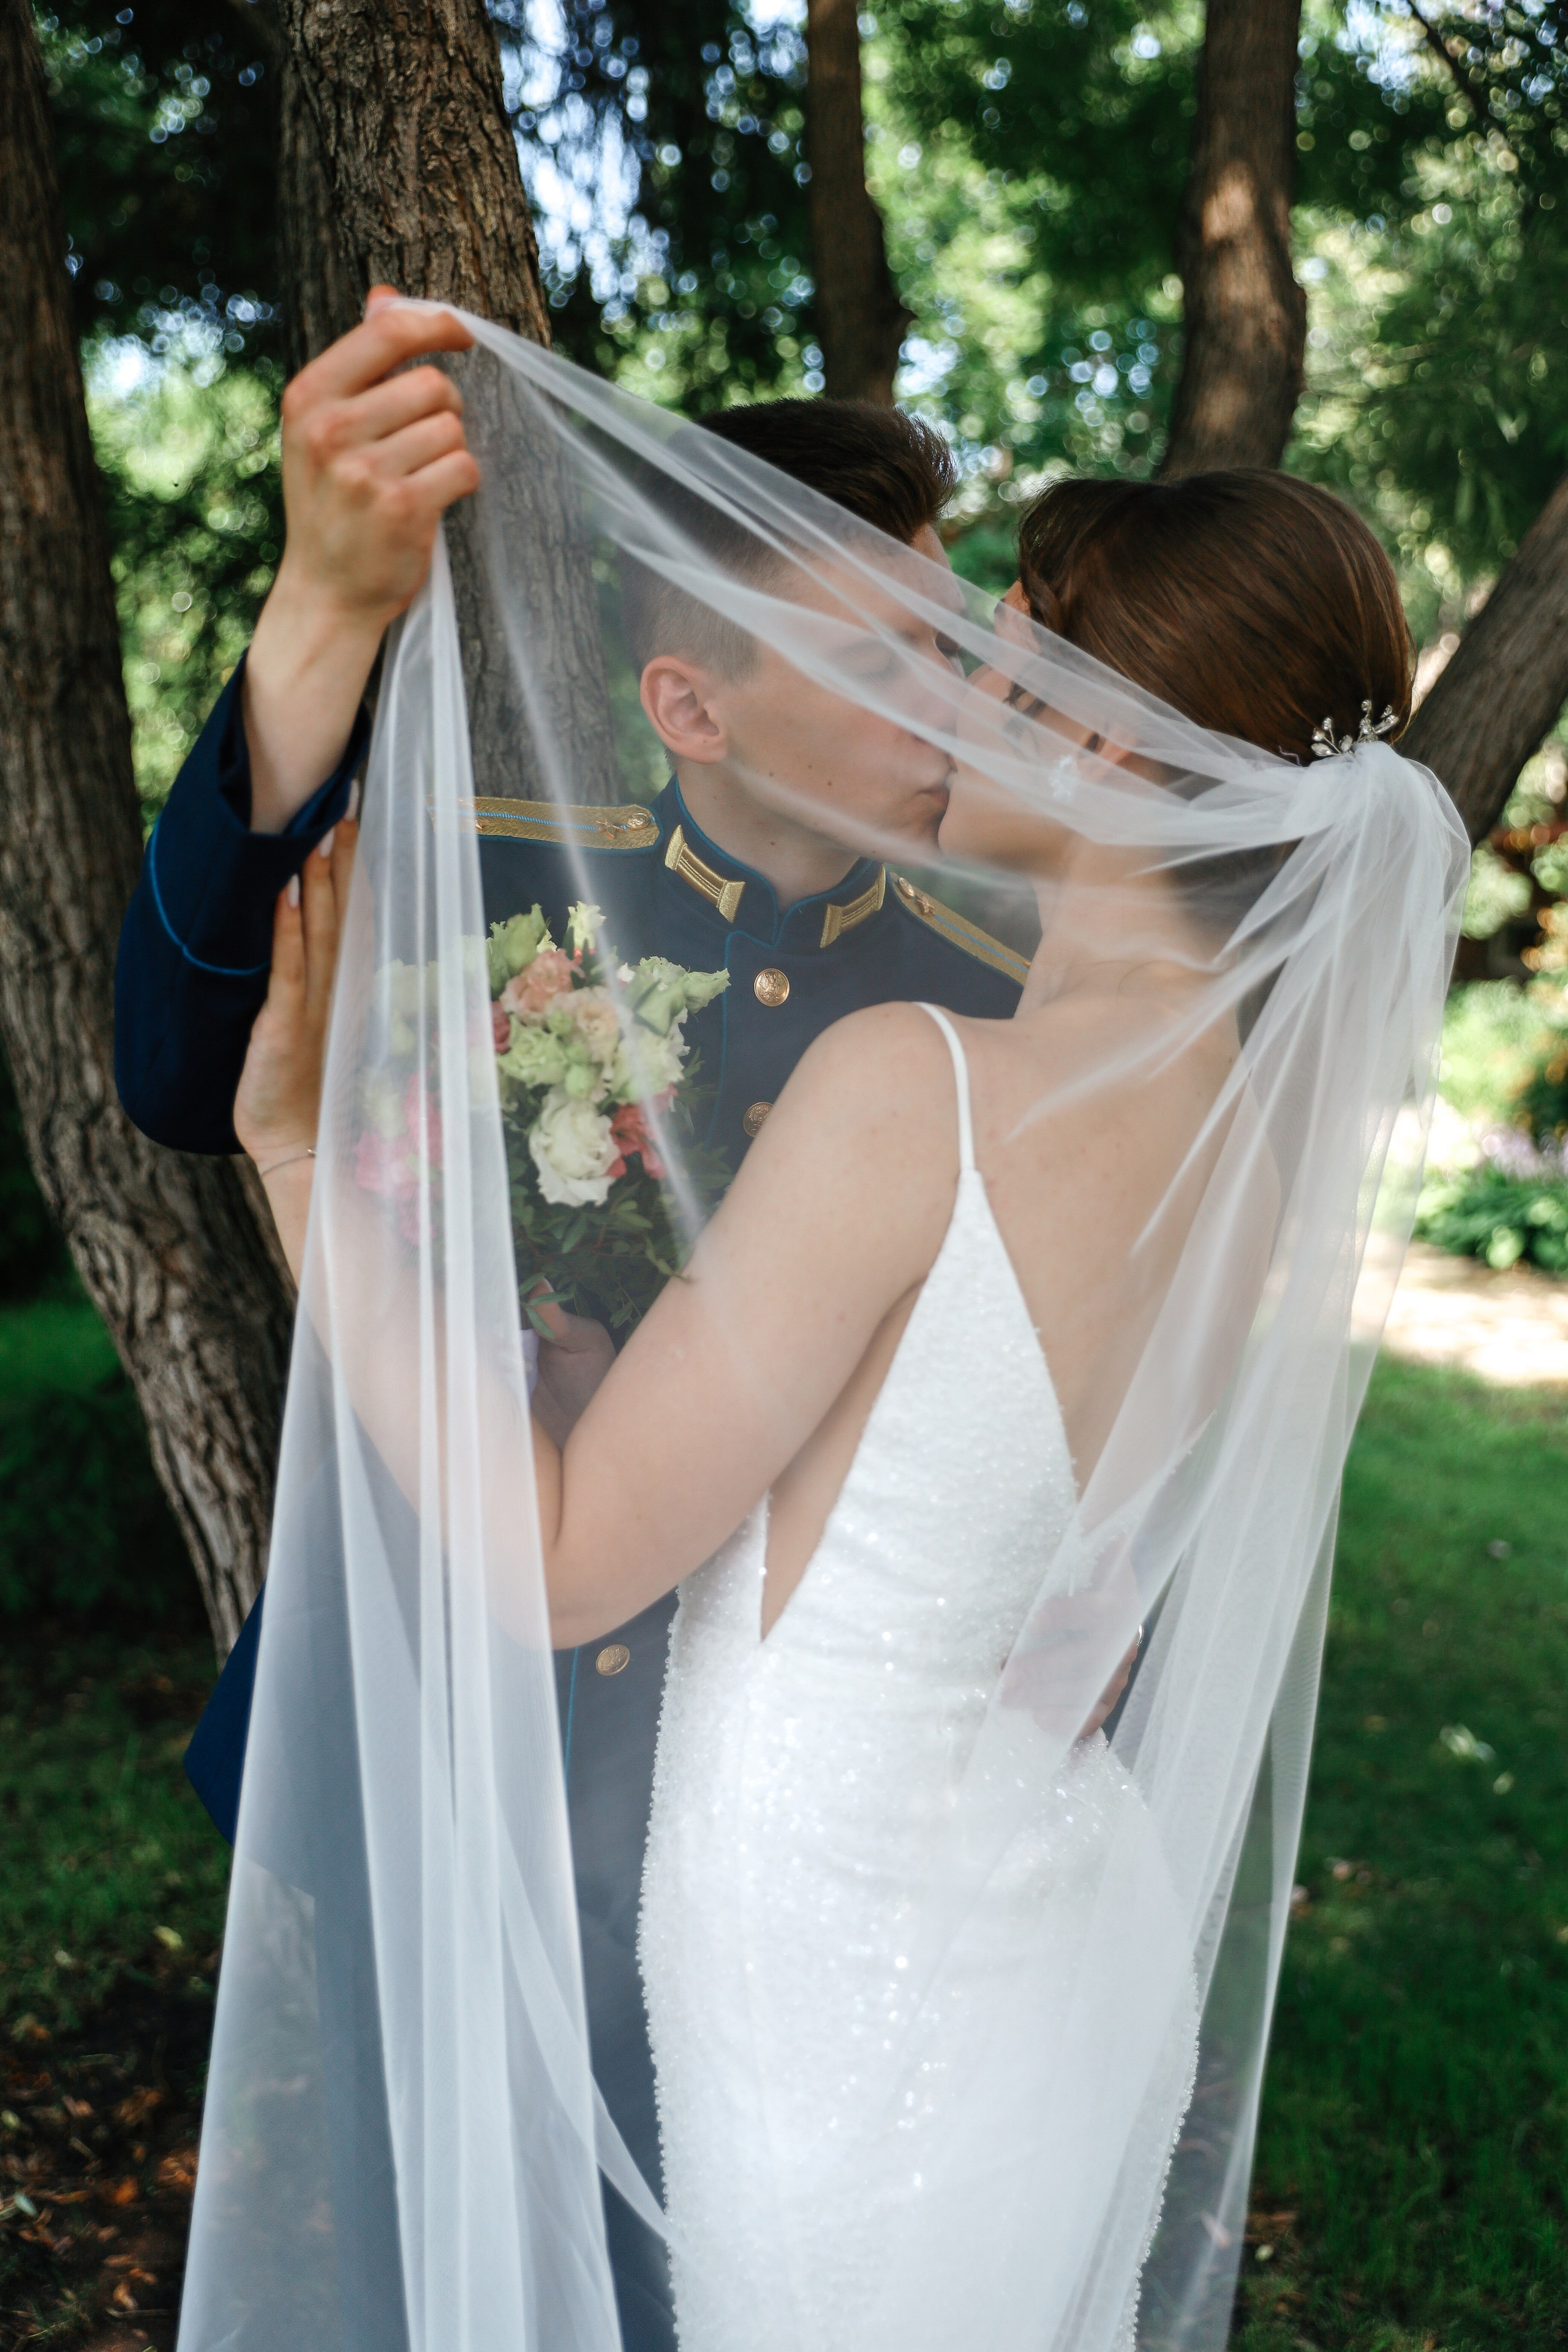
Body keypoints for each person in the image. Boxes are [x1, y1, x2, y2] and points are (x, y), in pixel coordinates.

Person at [220, 434, 1463, 2350]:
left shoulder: (914, 1084)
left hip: (838, 1942)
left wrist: (299, 1154)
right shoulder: (1245, 1151)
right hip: (1038, 1910)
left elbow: (560, 1568)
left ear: (1121, 753)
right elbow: (1012, 1537)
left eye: (1004, 659)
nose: (951, 688)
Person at [116, 294, 1027, 2350]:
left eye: (964, 644)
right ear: (691, 709)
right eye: (892, 659)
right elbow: (181, 1072)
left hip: (760, 1814)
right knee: (413, 2256)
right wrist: (318, 619)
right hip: (424, 1741)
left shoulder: (994, 1016)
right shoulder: (488, 872)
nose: (962, 698)